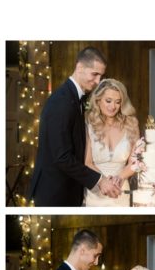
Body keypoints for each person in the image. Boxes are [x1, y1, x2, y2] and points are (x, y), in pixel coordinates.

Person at [27, 47, 121, 206]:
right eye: (95, 74)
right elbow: (62, 157)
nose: (98, 81)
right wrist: (99, 180)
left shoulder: (76, 98)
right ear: (79, 68)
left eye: (101, 76)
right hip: (55, 192)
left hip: (69, 189)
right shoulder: (61, 102)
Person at [83, 79, 141, 207]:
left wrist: (119, 178)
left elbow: (135, 162)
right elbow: (87, 162)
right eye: (108, 101)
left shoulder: (131, 124)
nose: (112, 106)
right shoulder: (89, 123)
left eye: (117, 102)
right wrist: (103, 181)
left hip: (120, 190)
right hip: (96, 191)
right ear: (98, 100)